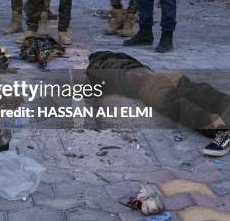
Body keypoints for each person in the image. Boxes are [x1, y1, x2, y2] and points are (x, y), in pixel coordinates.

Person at [87, 51, 230, 157]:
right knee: (200, 92)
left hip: (147, 87)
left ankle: (220, 130)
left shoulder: (95, 70)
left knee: (179, 106)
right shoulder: (123, 57)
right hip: (162, 76)